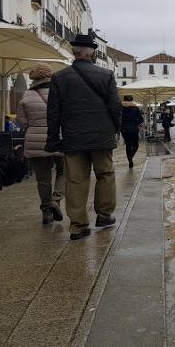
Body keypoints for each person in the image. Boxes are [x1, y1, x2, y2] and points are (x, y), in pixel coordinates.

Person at [45, 33, 122, 241]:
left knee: (75, 180)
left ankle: (78, 226)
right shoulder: (106, 76)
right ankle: (104, 216)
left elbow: (53, 112)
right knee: (105, 174)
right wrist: (115, 129)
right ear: (92, 53)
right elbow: (115, 107)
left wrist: (52, 139)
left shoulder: (59, 77)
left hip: (73, 137)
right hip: (101, 136)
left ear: (73, 52)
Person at [17, 63, 64, 225]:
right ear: (50, 76)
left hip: (35, 141)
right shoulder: (59, 93)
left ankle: (46, 213)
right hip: (57, 138)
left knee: (43, 179)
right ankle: (56, 201)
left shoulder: (26, 96)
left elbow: (23, 123)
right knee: (64, 170)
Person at [120, 95, 144, 168]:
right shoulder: (136, 108)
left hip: (123, 129)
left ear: (123, 100)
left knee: (128, 145)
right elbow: (141, 120)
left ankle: (130, 162)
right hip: (133, 129)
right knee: (136, 145)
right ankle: (131, 156)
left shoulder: (120, 108)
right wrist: (136, 122)